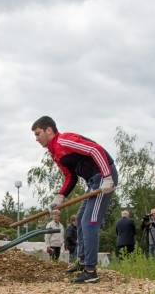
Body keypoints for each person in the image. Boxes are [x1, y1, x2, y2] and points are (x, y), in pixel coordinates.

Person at [32, 116, 118, 284]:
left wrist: (107, 177)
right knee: (79, 220)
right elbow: (70, 177)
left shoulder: (64, 140)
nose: (36, 139)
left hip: (103, 176)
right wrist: (59, 197)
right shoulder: (55, 153)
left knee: (89, 223)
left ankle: (91, 271)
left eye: (38, 133)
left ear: (49, 130)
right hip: (93, 181)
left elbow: (95, 150)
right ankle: (83, 262)